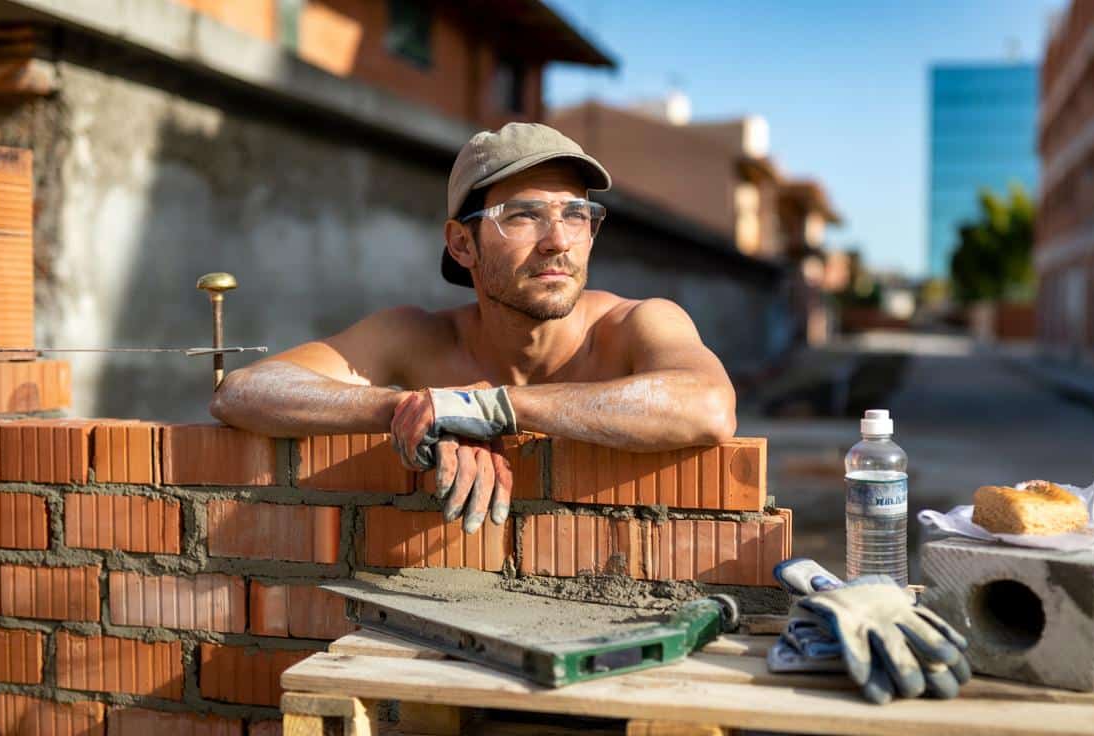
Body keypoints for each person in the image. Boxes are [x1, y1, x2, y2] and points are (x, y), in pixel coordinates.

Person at [210, 123, 736, 534]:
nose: (559, 241)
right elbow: (245, 390)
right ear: (462, 244)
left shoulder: (635, 323)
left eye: (576, 214)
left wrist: (484, 409)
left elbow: (709, 406)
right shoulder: (418, 337)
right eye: (524, 215)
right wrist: (410, 409)